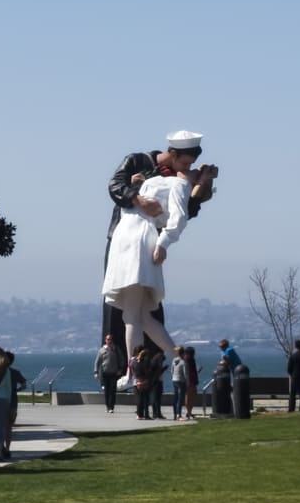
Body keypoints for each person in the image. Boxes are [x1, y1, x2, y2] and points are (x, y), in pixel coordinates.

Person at [102, 131, 219, 362]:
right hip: (125, 241)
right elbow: (115, 185)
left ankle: (149, 363)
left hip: (150, 242)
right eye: (184, 162)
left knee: (144, 310)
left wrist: (202, 184)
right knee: (124, 311)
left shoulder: (179, 180)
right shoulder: (137, 161)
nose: (186, 168)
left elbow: (185, 213)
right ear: (172, 154)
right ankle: (122, 363)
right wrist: (138, 199)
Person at [4, 350, 27, 459]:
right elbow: (24, 384)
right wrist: (17, 389)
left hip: (1, 402)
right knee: (8, 428)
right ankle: (7, 449)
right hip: (12, 402)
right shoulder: (15, 372)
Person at [93, 334, 123, 414]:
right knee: (106, 391)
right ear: (105, 340)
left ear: (112, 340)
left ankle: (111, 407)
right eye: (107, 339)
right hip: (105, 373)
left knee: (113, 391)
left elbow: (121, 359)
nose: (109, 341)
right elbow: (97, 362)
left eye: (110, 339)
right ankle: (107, 406)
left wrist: (120, 369)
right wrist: (96, 372)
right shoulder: (102, 350)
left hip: (114, 373)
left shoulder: (116, 349)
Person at [171, 346, 188, 421]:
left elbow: (172, 370)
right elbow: (185, 374)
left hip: (174, 380)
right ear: (183, 353)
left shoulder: (174, 360)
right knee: (180, 399)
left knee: (176, 397)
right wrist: (187, 381)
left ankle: (175, 414)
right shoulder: (184, 362)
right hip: (181, 381)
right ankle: (179, 415)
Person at [183, 345, 199, 419]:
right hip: (190, 380)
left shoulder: (190, 359)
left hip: (192, 379)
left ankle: (189, 411)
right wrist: (188, 381)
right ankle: (189, 412)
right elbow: (187, 371)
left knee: (191, 395)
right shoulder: (188, 360)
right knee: (189, 396)